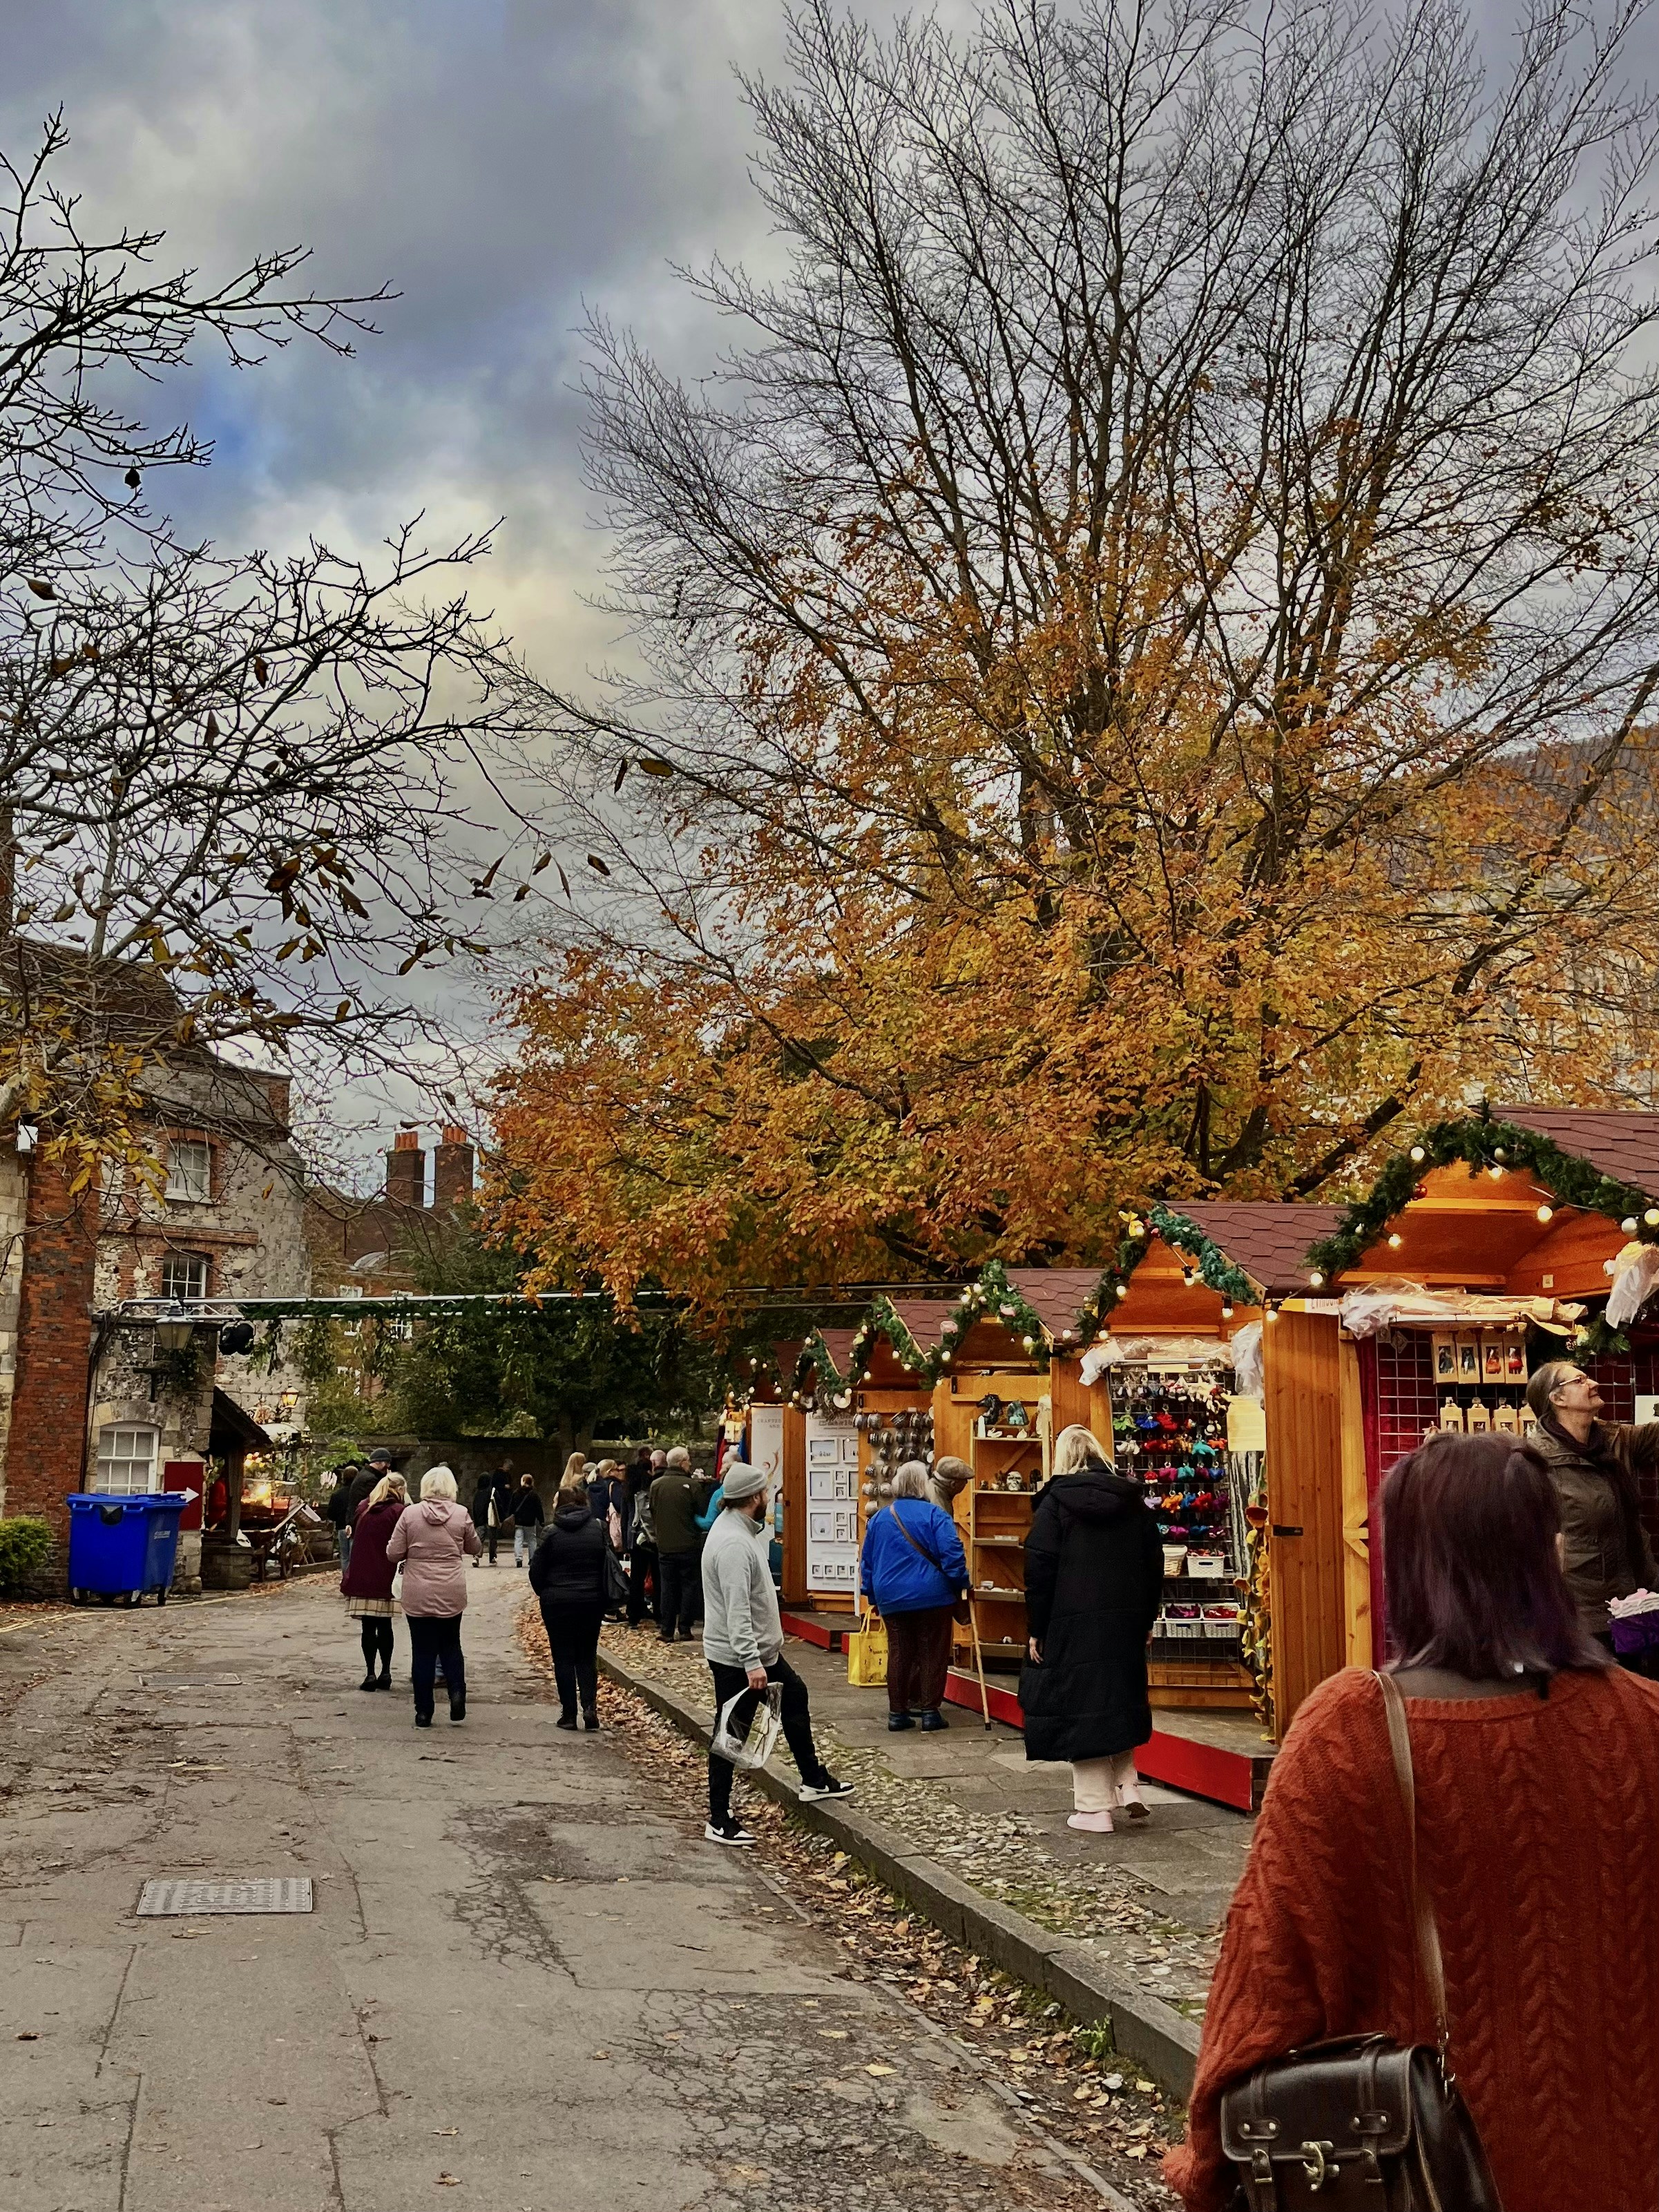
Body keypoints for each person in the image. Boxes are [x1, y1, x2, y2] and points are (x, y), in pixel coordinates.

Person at [1164, 1429, 1659, 2212]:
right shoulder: (1641, 1721)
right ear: (1547, 1551)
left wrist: (1205, 2166)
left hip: (1419, 2172)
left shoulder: (1350, 1728)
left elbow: (1270, 1977)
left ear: (1411, 1561)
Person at [701, 1460, 852, 1844]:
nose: (768, 1498)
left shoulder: (736, 1530)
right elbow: (737, 1609)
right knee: (731, 1732)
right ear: (754, 1497)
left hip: (756, 1654)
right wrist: (752, 1661)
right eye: (765, 1493)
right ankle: (719, 1817)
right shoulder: (734, 1543)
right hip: (742, 1658)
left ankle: (814, 1779)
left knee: (795, 1696)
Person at [1022, 1422, 1162, 1833]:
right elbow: (1153, 1565)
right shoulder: (1134, 1504)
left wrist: (1037, 1627)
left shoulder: (1055, 1505)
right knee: (1115, 1699)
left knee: (1081, 1706)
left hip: (1072, 1623)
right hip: (1125, 1621)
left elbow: (1039, 1570)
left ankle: (1094, 1808)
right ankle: (1128, 1784)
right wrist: (1146, 1618)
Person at [1525, 1358, 1659, 1651]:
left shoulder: (1615, 1439)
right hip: (1583, 1615)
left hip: (1635, 1601)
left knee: (1638, 1689)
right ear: (1557, 1398)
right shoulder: (1533, 1460)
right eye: (1581, 1380)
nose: (1594, 1383)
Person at [860, 1460, 968, 1732]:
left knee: (899, 1652)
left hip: (892, 1598)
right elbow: (952, 1555)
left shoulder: (880, 1519)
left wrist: (872, 1595)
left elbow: (868, 1562)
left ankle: (898, 1713)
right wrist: (962, 1584)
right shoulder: (935, 1515)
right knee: (932, 1652)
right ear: (922, 1485)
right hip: (933, 1597)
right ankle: (930, 1712)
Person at [386, 1465, 481, 1728]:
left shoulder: (410, 1514)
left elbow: (393, 1553)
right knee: (451, 1643)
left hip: (418, 1589)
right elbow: (475, 1547)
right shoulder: (461, 1514)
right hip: (451, 1588)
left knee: (423, 1650)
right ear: (452, 1488)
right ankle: (457, 1692)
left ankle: (424, 1711)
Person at [528, 1465, 608, 1729]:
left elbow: (536, 1570)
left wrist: (546, 1592)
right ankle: (590, 1708)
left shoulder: (551, 1532)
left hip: (558, 1601)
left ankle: (568, 1714)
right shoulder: (597, 1528)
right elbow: (603, 1565)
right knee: (587, 1655)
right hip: (591, 1601)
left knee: (562, 1657)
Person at [340, 1470, 406, 1689]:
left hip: (362, 1575)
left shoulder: (363, 1510)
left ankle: (369, 1673)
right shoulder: (399, 1512)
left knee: (368, 1627)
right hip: (386, 1576)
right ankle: (386, 1672)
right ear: (398, 1490)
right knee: (385, 1626)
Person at [651, 1446, 714, 1642]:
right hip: (688, 1545)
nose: (691, 1464)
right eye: (688, 1460)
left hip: (665, 1546)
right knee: (689, 1586)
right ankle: (685, 1628)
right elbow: (702, 1511)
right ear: (682, 1463)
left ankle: (667, 1630)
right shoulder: (692, 1486)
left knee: (667, 1587)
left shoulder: (656, 1485)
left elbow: (653, 1511)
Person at [628, 1477, 660, 1628]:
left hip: (638, 1539)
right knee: (658, 1578)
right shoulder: (655, 1495)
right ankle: (660, 1615)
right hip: (655, 1540)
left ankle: (634, 1617)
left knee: (637, 1578)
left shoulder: (630, 1494)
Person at [470, 1458, 515, 1566]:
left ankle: (476, 1557)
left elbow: (475, 1508)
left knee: (479, 1539)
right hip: (491, 1519)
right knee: (493, 1540)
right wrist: (501, 1517)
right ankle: (492, 1557)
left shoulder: (477, 1494)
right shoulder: (492, 1492)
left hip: (480, 1520)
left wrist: (476, 1520)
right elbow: (498, 1505)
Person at [325, 1461, 362, 1572]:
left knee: (345, 1556)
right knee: (354, 1556)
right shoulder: (360, 1493)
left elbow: (331, 1513)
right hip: (355, 1527)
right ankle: (353, 1578)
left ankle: (346, 1577)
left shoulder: (337, 1494)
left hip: (342, 1527)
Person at [507, 1472, 545, 1568]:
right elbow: (539, 1509)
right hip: (530, 1521)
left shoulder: (516, 1493)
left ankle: (519, 1559)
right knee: (532, 1540)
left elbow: (511, 1507)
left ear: (523, 1481)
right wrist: (541, 1520)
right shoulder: (534, 1495)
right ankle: (532, 1559)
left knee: (518, 1540)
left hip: (519, 1521)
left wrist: (510, 1516)